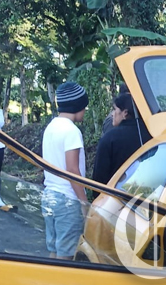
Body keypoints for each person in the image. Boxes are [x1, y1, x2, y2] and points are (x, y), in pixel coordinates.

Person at [42, 82, 90, 260]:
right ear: (77, 106)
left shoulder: (51, 127)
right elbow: (72, 169)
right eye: (84, 106)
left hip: (49, 195)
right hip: (67, 200)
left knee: (54, 249)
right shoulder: (71, 131)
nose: (85, 110)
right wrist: (84, 202)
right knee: (67, 256)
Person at [93, 93, 151, 186]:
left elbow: (99, 179)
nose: (112, 114)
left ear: (125, 113)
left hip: (113, 193)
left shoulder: (109, 138)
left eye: (114, 109)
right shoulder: (152, 135)